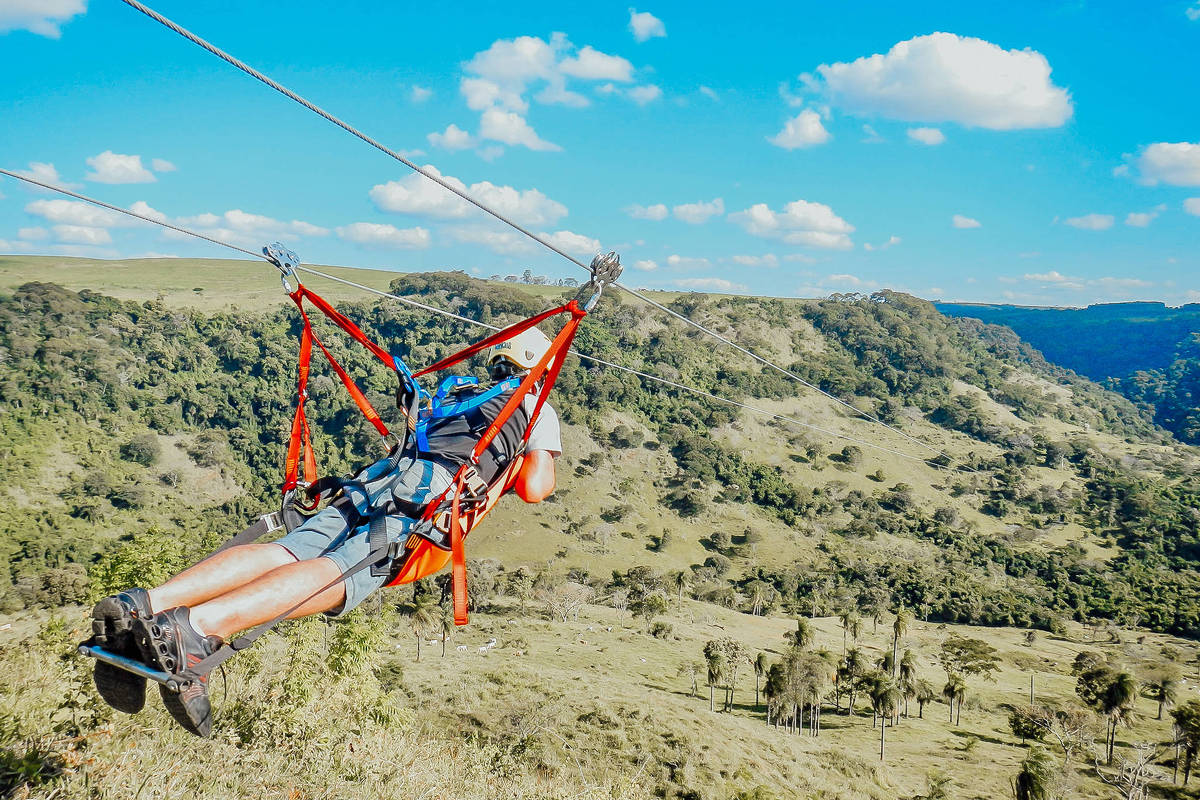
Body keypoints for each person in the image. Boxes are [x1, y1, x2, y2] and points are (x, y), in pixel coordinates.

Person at [89, 327, 563, 737]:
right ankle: (192, 632)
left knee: (288, 552)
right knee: (340, 573)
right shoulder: (536, 405)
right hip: (429, 497)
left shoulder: (459, 392)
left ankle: (142, 606)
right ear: (538, 370)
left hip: (380, 477)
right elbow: (537, 488)